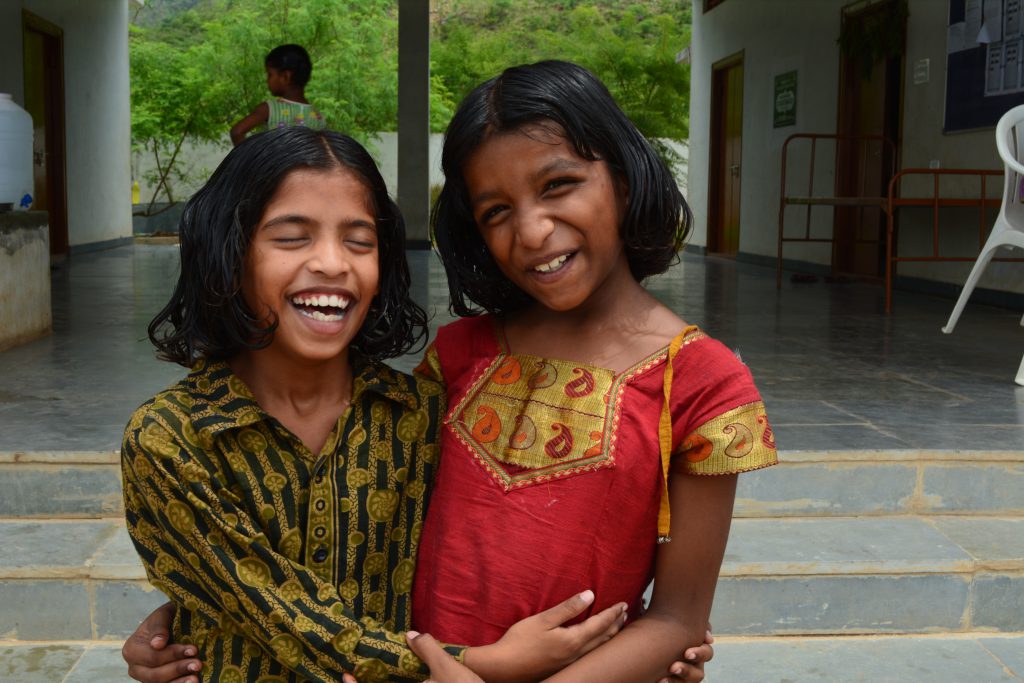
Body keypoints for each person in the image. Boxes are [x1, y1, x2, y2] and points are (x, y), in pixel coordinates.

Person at [122, 126, 642, 683]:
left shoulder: (420, 414)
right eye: (292, 237)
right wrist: (484, 666)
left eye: (359, 240)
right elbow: (270, 607)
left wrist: (646, 651)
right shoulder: (170, 435)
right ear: (230, 254)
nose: (332, 262)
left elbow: (501, 553)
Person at [403, 60, 779, 681]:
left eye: (557, 185)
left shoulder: (700, 381)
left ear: (625, 180)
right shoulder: (456, 356)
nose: (532, 230)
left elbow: (678, 619)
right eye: (496, 211)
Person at [229, 44, 326, 146]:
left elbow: (237, 132)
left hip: (274, 162)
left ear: (285, 76)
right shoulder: (318, 117)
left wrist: (253, 160)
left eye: (270, 74)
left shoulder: (269, 108)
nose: (267, 80)